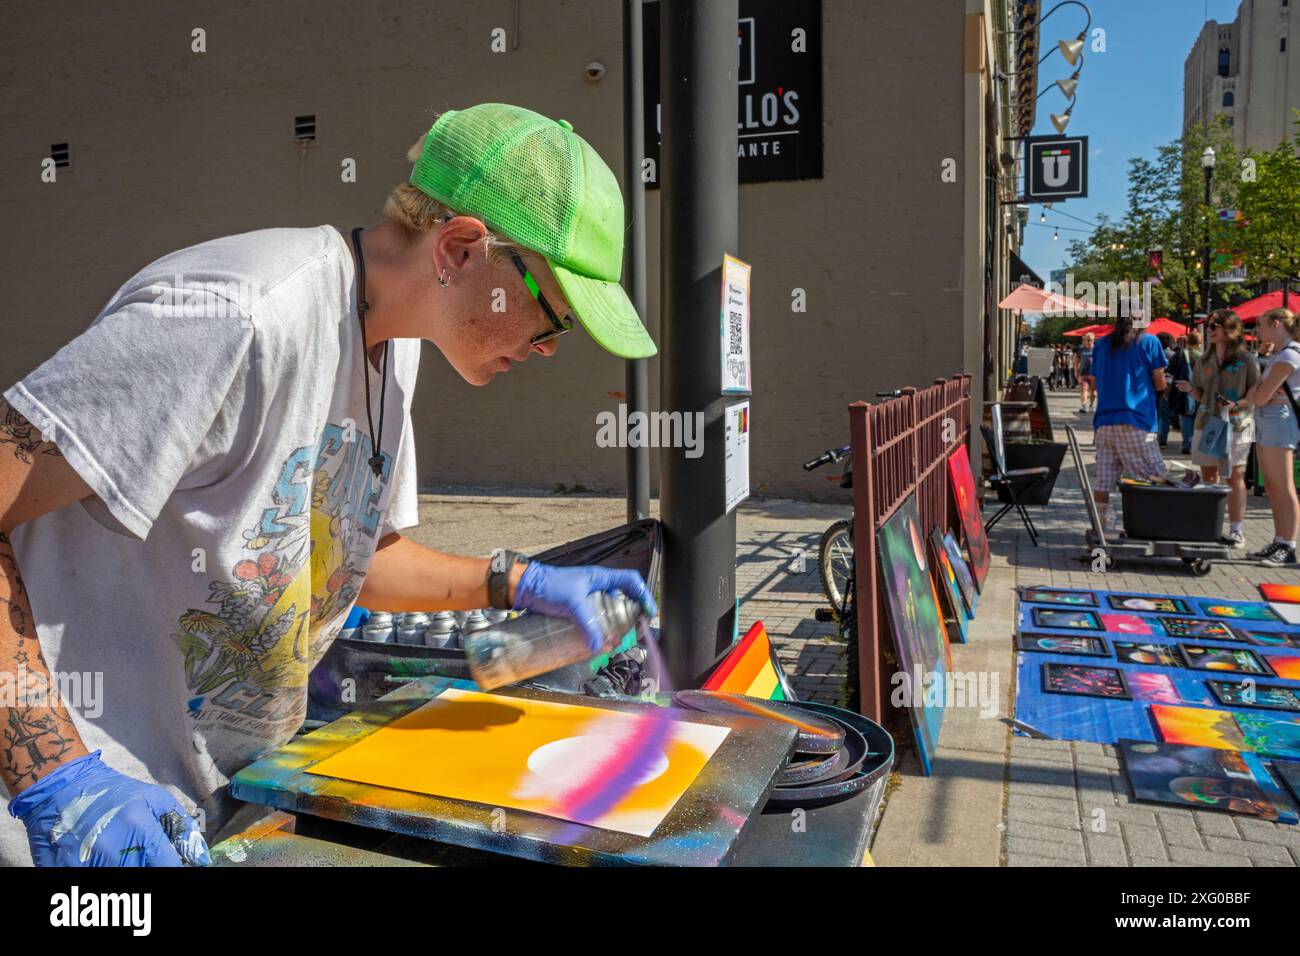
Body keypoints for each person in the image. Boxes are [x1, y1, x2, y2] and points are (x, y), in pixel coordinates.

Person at [0, 103, 660, 867]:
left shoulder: (397, 347)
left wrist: (517, 580)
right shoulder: (235, 315)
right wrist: (55, 777)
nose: (547, 348)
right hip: (65, 829)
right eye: (555, 315)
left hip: (203, 807)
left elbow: (351, 559)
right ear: (460, 247)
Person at [1176, 310, 1258, 547]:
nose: (1209, 330)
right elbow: (1201, 393)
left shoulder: (1246, 360)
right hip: (1208, 422)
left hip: (1238, 424)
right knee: (1210, 476)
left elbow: (1255, 393)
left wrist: (1237, 404)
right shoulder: (1204, 360)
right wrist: (1189, 389)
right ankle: (1209, 526)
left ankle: (1236, 529)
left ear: (1230, 329)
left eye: (1215, 326)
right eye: (1208, 326)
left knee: (1234, 476)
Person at [1089, 306, 1169, 535]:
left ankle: (1102, 529)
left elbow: (1094, 383)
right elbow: (1159, 382)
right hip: (1137, 419)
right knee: (1154, 476)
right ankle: (1150, 526)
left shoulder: (1101, 344)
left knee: (1104, 481)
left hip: (1104, 421)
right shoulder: (1149, 342)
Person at [1242, 307, 1300, 565]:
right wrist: (1260, 395)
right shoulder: (1279, 354)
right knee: (1273, 486)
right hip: (1269, 419)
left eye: (1262, 325)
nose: (1258, 330)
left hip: (1279, 420)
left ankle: (1288, 544)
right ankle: (1280, 539)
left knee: (1283, 485)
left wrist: (1261, 395)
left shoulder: (1289, 354)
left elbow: (1260, 396)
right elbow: (1258, 394)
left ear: (1277, 324)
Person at [1178, 330, 1203, 453]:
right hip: (1199, 389)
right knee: (1197, 417)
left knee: (1186, 417)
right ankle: (1195, 443)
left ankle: (1187, 444)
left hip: (1183, 389)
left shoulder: (1183, 353)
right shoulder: (1202, 356)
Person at [1155, 331, 1177, 447]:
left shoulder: (1157, 353)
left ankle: (1159, 436)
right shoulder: (1174, 354)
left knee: (1158, 412)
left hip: (1157, 385)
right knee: (1165, 413)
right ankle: (1163, 436)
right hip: (1170, 386)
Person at [1075, 333, 1096, 412]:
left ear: (1094, 340)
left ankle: (1091, 405)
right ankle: (1084, 406)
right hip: (1083, 373)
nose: (1088, 341)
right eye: (1086, 339)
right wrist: (1076, 370)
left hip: (1094, 374)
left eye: (1090, 339)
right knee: (1084, 390)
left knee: (1093, 392)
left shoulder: (1096, 349)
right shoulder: (1081, 349)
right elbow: (1077, 360)